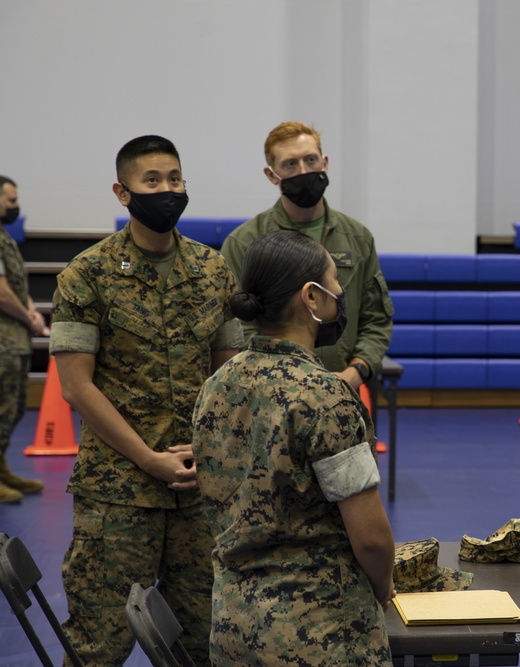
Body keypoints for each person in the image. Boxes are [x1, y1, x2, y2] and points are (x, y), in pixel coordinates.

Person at [49, 136, 243, 666]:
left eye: (174, 179)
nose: (167, 190)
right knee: (99, 644)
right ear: (123, 191)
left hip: (198, 489)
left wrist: (208, 450)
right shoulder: (85, 275)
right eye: (152, 181)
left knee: (204, 641)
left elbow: (230, 374)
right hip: (118, 494)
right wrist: (148, 458)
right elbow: (76, 386)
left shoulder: (213, 271)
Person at [192, 229, 395, 666]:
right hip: (321, 635)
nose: (341, 293)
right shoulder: (326, 396)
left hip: (233, 629)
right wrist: (381, 589)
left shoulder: (217, 385)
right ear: (312, 297)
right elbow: (372, 540)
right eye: (335, 282)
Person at [221, 121, 393, 390]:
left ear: (324, 162)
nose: (303, 171)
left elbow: (376, 319)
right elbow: (237, 324)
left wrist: (356, 371)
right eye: (290, 164)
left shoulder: (358, 237)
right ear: (271, 174)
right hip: (271, 391)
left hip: (344, 387)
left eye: (310, 160)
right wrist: (286, 375)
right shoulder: (245, 242)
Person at [0, 175, 47, 504]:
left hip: (12, 337)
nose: (16, 207)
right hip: (3, 340)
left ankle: (1, 469)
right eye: (11, 200)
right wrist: (25, 315)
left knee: (13, 408)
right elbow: (2, 294)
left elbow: (15, 287)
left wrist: (31, 311)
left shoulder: (4, 238)